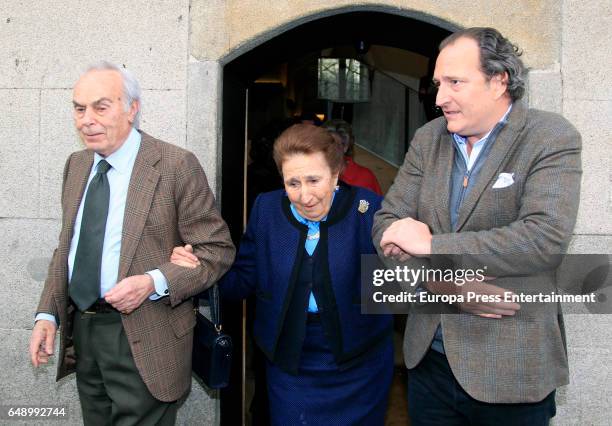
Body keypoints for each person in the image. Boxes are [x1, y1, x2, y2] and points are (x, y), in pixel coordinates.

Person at [372, 27, 581, 425]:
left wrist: (432, 244)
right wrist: (440, 286)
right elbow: (387, 223)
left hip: (511, 370)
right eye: (438, 84)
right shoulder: (427, 138)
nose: (439, 99)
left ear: (498, 80)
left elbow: (543, 239)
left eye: (455, 82)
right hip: (428, 365)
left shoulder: (549, 136)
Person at [28, 61, 235, 425]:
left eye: (100, 106)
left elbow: (216, 250)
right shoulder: (76, 166)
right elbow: (68, 248)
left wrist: (154, 282)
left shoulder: (175, 166)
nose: (86, 119)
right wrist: (49, 314)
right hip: (85, 335)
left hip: (148, 335)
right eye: (79, 108)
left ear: (132, 109)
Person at [173, 124, 394, 425]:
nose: (305, 196)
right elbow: (242, 279)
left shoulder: (367, 210)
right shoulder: (267, 209)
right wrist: (198, 271)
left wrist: (467, 285)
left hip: (359, 362)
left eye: (314, 180)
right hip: (290, 363)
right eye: (293, 183)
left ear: (335, 174)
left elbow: (402, 282)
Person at [323, 119, 383, 195]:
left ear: (345, 147)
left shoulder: (364, 177)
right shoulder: (314, 175)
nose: (329, 150)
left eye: (335, 145)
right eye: (325, 145)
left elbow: (378, 205)